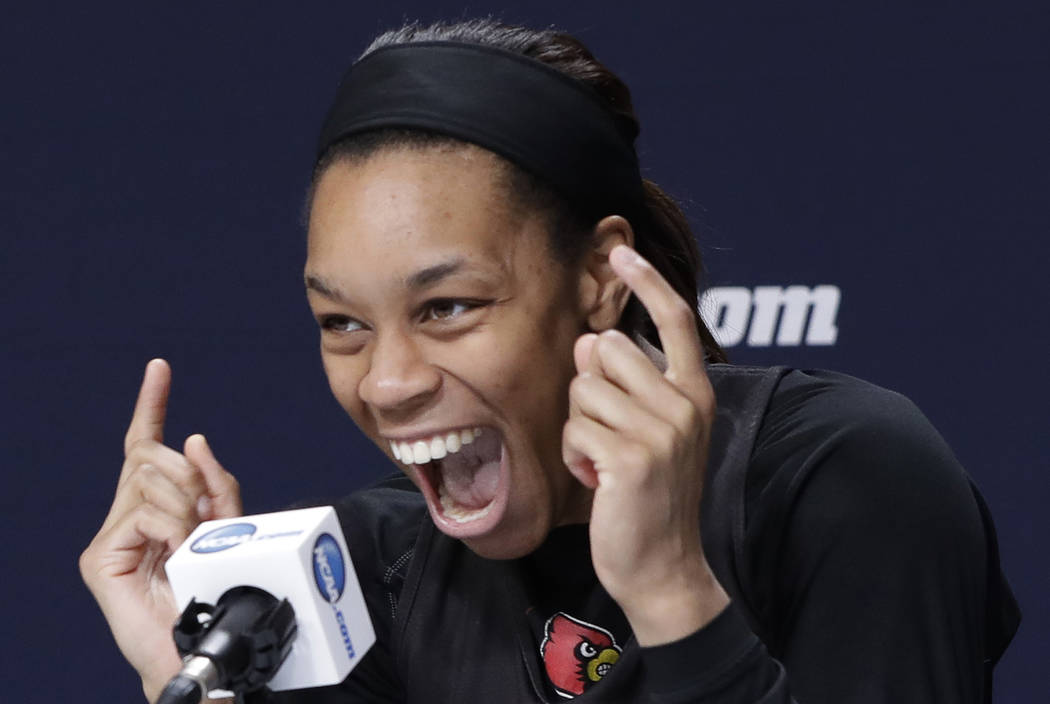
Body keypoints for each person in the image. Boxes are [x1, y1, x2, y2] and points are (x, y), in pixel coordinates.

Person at [79, 18, 1019, 704]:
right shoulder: (380, 561)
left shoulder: (840, 475)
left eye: (447, 307)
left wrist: (668, 591)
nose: (387, 381)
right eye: (342, 323)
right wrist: (185, 665)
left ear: (601, 278)